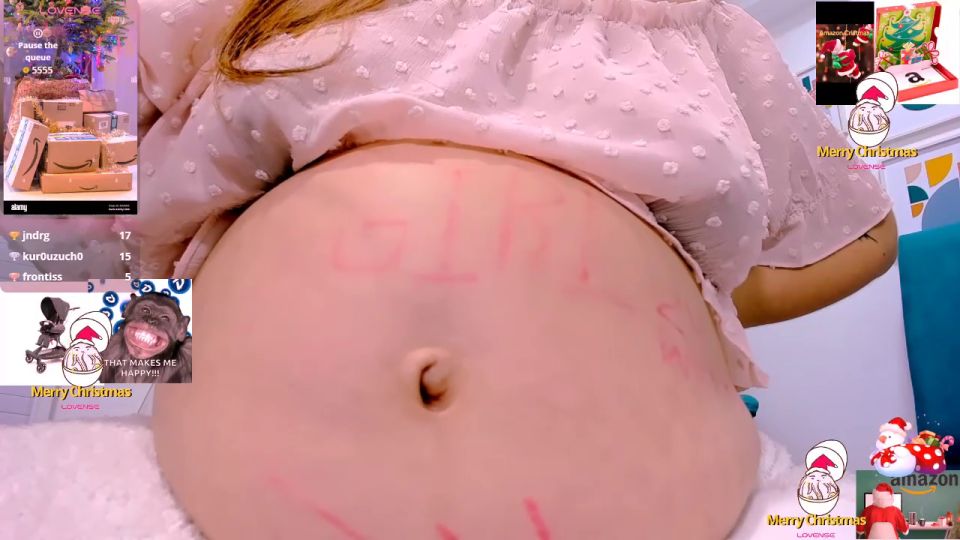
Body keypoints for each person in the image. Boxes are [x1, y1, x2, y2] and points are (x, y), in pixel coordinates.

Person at [136, 0, 898, 538]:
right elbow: (75, 154)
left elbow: (869, 234)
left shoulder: (704, 23)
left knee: (928, 511)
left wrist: (681, 314)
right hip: (202, 502)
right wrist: (123, 371)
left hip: (699, 509)